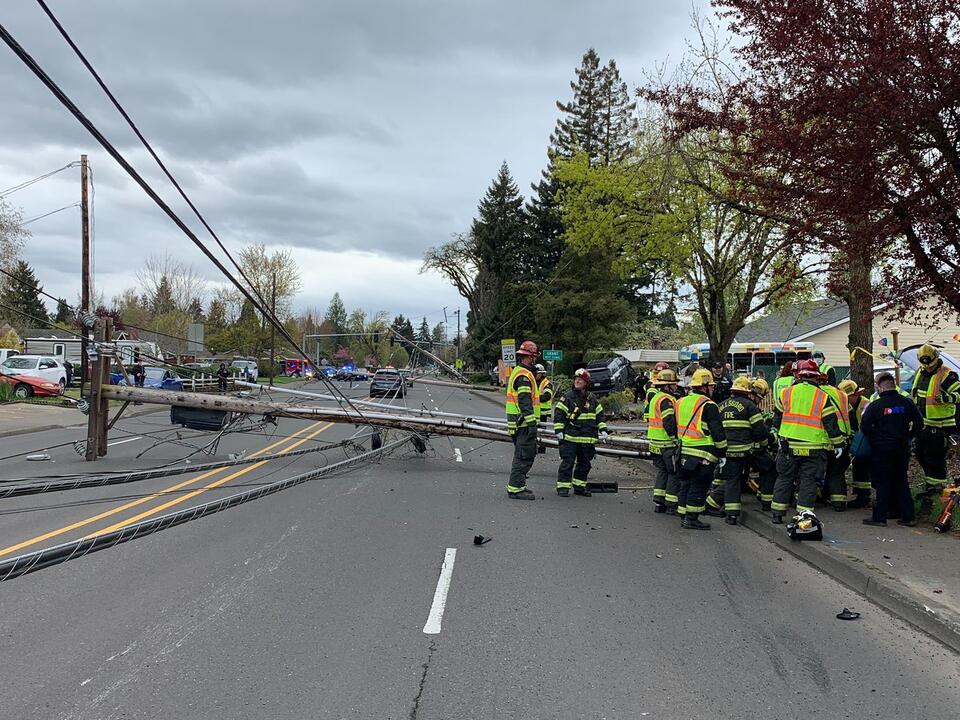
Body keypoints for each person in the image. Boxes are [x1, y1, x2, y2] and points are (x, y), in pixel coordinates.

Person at [770, 359, 844, 525]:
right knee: (808, 481)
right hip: (813, 447)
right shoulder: (822, 396)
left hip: (788, 446)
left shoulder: (786, 393)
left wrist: (776, 434)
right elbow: (830, 423)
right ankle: (803, 516)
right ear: (816, 377)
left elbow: (777, 417)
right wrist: (838, 444)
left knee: (784, 479)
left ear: (799, 375)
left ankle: (777, 513)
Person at [860, 372, 924, 527]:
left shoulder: (876, 405)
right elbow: (919, 423)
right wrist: (909, 436)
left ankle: (880, 517)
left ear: (880, 387)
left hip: (882, 448)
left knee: (882, 482)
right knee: (901, 480)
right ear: (894, 385)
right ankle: (908, 516)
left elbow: (865, 427)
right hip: (902, 446)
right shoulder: (906, 403)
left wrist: (876, 437)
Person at [706, 376, 768, 525]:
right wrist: (763, 443)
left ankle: (718, 506)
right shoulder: (750, 406)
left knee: (733, 479)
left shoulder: (720, 405)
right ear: (747, 391)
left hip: (724, 450)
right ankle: (731, 514)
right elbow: (760, 431)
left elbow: (714, 427)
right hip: (743, 451)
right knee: (736, 480)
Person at [910, 344, 960, 513]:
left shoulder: (947, 375)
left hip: (941, 425)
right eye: (924, 363)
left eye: (929, 363)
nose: (927, 366)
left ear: (936, 358)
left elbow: (959, 394)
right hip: (924, 423)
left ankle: (936, 490)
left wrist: (947, 397)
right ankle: (931, 487)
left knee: (934, 459)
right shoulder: (920, 372)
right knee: (921, 455)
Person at [675, 368, 727, 530]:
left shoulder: (681, 402)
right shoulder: (708, 405)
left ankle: (683, 514)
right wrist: (722, 452)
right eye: (710, 386)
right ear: (704, 386)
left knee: (686, 484)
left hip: (684, 451)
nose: (712, 389)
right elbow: (717, 432)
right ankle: (691, 518)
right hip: (702, 453)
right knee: (699, 486)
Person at [553, 368, 608, 497]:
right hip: (571, 438)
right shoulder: (567, 397)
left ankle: (579, 487)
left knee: (584, 465)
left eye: (580, 379)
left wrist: (603, 429)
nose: (577, 381)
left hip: (587, 439)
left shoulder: (592, 398)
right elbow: (559, 415)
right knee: (567, 464)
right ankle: (563, 487)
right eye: (576, 379)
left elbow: (600, 415)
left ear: (587, 383)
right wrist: (559, 431)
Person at [505, 340, 541, 500]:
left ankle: (517, 486)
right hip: (524, 423)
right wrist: (532, 423)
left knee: (522, 455)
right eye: (534, 357)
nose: (536, 360)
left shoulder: (520, 372)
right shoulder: (524, 376)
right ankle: (516, 489)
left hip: (519, 423)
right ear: (531, 357)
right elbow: (525, 401)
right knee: (524, 456)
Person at [646, 368, 680, 513]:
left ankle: (659, 502)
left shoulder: (656, 397)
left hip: (655, 442)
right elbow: (668, 422)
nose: (676, 386)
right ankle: (672, 504)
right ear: (667, 385)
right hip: (666, 443)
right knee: (673, 472)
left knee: (663, 471)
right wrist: (675, 439)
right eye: (673, 384)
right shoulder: (666, 400)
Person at [822, 376, 853, 511]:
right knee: (836, 472)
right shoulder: (842, 394)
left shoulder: (816, 394)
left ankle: (813, 499)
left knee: (810, 472)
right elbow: (850, 414)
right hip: (842, 439)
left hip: (822, 439)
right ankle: (838, 503)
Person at [840, 379, 872, 508]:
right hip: (858, 440)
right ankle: (860, 492)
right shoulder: (848, 406)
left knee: (862, 466)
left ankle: (864, 496)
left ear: (855, 395)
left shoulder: (865, 405)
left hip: (866, 441)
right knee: (858, 466)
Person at [749, 377, 779, 511]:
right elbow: (759, 431)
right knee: (769, 467)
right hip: (751, 450)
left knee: (734, 476)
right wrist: (771, 438)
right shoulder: (751, 407)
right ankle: (766, 502)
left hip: (736, 449)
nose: (761, 401)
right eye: (760, 398)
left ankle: (713, 501)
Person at [535, 364, 553, 454]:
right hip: (535, 411)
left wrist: (535, 398)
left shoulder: (547, 383)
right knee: (535, 430)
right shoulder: (534, 382)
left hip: (543, 412)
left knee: (542, 431)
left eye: (537, 373)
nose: (535, 375)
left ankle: (542, 448)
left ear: (541, 373)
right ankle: (535, 446)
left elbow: (547, 396)